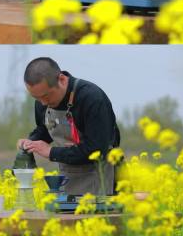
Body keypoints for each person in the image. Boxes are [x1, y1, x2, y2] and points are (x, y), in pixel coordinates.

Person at [17, 57, 120, 196]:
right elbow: (45, 129)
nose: (42, 103)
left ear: (62, 80)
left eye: (46, 96)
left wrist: (52, 152)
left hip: (101, 179)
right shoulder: (42, 101)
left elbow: (96, 149)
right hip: (68, 178)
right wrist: (31, 141)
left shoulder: (92, 98)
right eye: (36, 98)